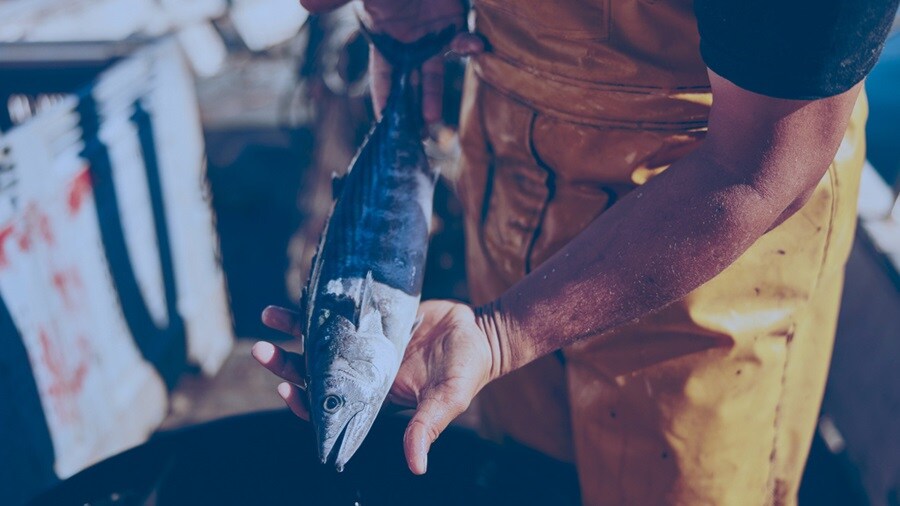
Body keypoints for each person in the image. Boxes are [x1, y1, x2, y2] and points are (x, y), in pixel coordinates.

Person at [253, 0, 900, 503]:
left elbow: (761, 167)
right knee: (528, 482)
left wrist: (502, 335)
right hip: (508, 165)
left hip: (706, 234)